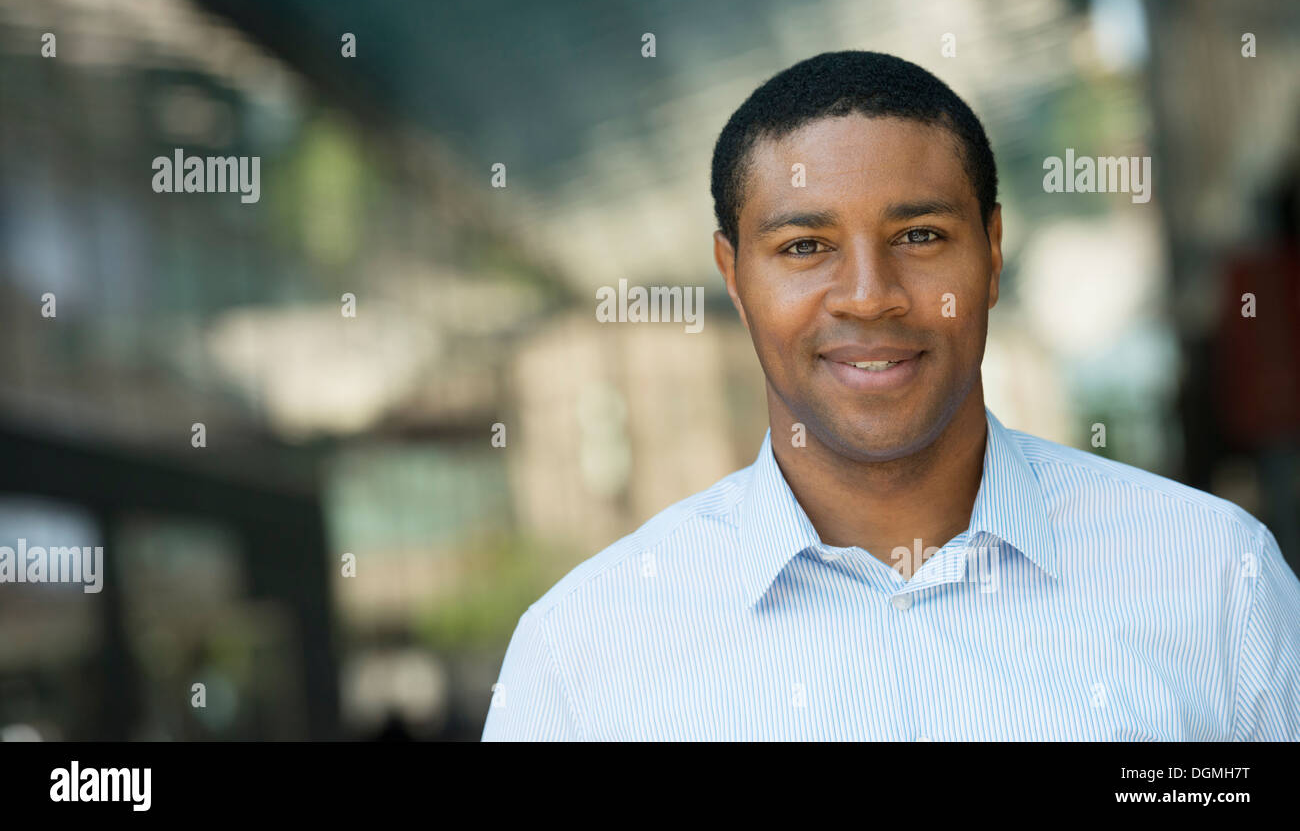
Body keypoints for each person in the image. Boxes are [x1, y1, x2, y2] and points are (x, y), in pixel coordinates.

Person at [482, 51, 1300, 740]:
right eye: (805, 246)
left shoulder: (1214, 579)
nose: (870, 296)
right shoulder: (583, 655)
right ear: (734, 278)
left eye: (919, 236)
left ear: (992, 249)